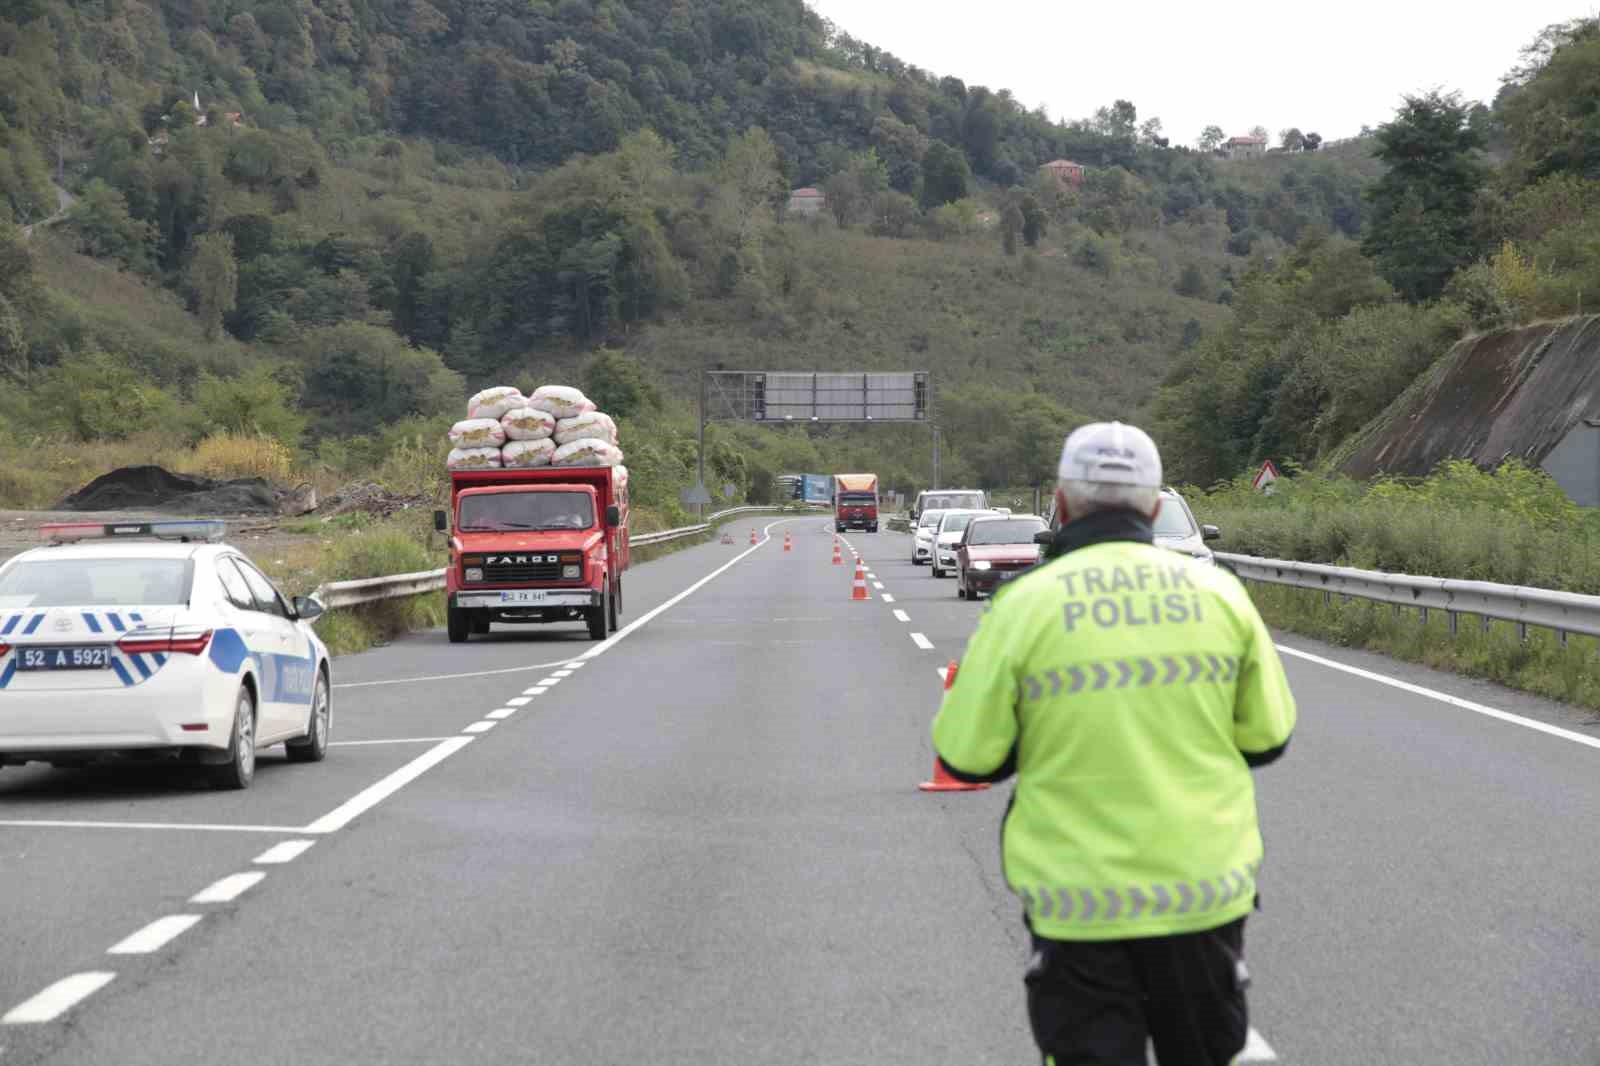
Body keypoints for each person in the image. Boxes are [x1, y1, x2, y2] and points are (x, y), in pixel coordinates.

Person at [930, 421, 1296, 1066]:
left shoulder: (1023, 605)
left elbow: (968, 755)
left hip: (1077, 910)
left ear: (1062, 503)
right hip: (1204, 895)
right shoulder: (1218, 594)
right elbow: (1267, 738)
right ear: (1156, 506)